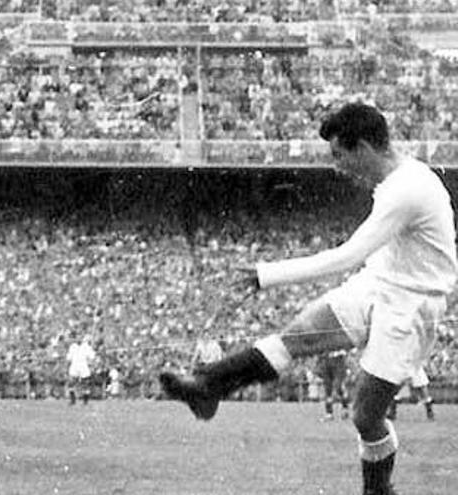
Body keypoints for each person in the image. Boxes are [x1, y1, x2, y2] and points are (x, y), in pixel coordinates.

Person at [159, 103, 457, 495]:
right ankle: (207, 387)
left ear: (364, 147)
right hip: (379, 283)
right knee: (297, 334)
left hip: (414, 304)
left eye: (339, 155)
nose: (337, 166)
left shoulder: (407, 190)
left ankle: (378, 491)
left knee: (366, 416)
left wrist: (268, 274)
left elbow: (346, 257)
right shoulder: (396, 181)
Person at [318, 350, 351, 421]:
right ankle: (329, 413)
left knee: (338, 386)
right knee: (328, 388)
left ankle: (345, 408)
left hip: (338, 361)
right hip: (326, 360)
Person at [66, 333, 96, 405]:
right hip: (74, 366)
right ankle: (72, 400)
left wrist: (93, 350)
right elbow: (69, 358)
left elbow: (92, 357)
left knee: (85, 385)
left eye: (80, 337)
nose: (78, 339)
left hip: (83, 366)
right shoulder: (72, 346)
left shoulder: (86, 347)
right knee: (71, 383)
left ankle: (85, 401)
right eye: (77, 337)